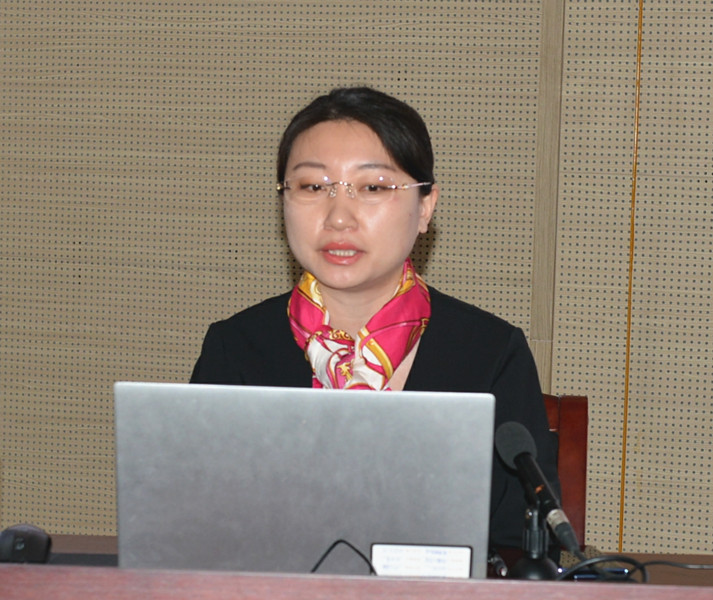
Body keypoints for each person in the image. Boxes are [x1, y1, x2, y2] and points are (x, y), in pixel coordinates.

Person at [190, 86, 559, 553]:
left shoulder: (490, 353)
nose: (338, 217)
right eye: (312, 187)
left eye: (373, 188)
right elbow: (194, 530)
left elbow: (524, 545)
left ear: (425, 207)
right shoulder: (236, 348)